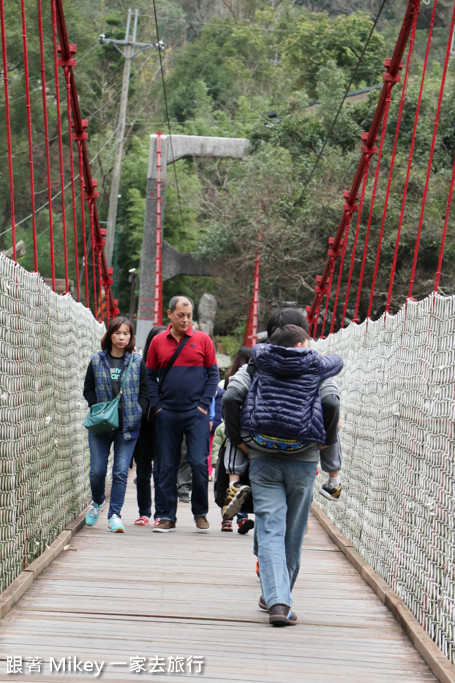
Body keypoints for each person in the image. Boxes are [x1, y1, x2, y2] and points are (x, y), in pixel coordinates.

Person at [223, 316, 343, 626]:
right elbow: (330, 401)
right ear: (303, 344)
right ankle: (280, 598)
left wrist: (239, 440)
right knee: (292, 531)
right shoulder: (317, 366)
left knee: (269, 528)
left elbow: (231, 395)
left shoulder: (258, 363)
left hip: (262, 455)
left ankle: (276, 599)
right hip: (303, 458)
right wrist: (325, 443)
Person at [146, 295, 219, 533]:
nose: (186, 320)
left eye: (189, 315)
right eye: (181, 315)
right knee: (166, 465)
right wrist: (157, 406)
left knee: (198, 463)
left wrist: (203, 405)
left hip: (195, 412)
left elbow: (214, 375)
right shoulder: (158, 341)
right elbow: (149, 376)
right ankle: (166, 516)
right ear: (170, 314)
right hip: (167, 412)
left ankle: (200, 512)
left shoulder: (203, 340)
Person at [83, 317, 148, 533]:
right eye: (118, 333)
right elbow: (88, 390)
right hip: (101, 425)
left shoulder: (137, 363)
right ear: (110, 334)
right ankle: (97, 501)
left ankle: (114, 515)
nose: (122, 337)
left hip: (128, 425)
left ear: (131, 337)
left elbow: (145, 391)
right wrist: (98, 408)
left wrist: (139, 409)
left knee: (120, 472)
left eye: (126, 334)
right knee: (97, 471)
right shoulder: (96, 360)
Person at [133, 325, 166, 526]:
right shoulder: (139, 368)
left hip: (164, 425)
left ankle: (160, 513)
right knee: (143, 472)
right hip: (143, 425)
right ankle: (144, 512)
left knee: (161, 471)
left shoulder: (173, 368)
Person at [212, 420, 254, 534]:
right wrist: (215, 461)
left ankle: (242, 520)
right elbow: (216, 445)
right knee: (230, 494)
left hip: (238, 465)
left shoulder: (229, 425)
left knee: (241, 493)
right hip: (227, 465)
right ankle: (227, 521)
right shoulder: (221, 428)